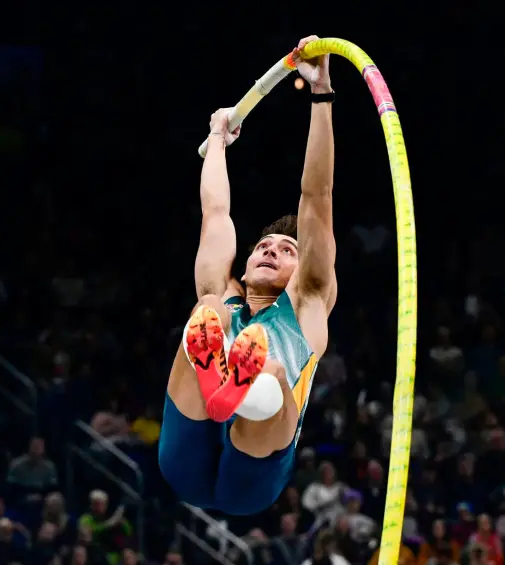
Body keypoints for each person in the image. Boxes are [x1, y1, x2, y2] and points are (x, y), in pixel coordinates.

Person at [159, 34, 337, 516]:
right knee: (209, 307)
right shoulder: (225, 294)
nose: (269, 249)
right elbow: (215, 212)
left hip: (254, 471)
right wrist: (217, 139)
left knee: (274, 371)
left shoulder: (309, 304)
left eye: (286, 249)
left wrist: (321, 96)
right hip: (187, 453)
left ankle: (248, 388)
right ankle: (227, 387)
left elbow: (316, 198)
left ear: (305, 271)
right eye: (264, 245)